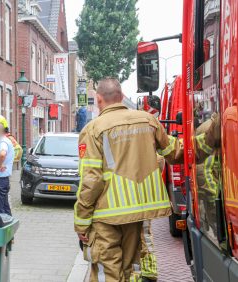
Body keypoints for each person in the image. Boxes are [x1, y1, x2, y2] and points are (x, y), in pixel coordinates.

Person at [74, 78, 180, 281]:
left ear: (98, 99)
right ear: (122, 97)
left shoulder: (93, 129)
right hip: (136, 214)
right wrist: (206, 138)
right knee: (129, 270)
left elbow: (91, 180)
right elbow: (174, 152)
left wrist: (81, 223)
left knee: (108, 271)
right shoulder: (148, 121)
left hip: (106, 216)